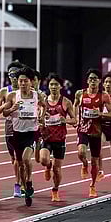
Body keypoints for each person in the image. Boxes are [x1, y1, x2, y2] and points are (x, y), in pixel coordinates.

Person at [3, 67, 46, 207]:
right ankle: (26, 188)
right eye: (20, 81)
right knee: (20, 164)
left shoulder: (36, 95)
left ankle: (29, 180)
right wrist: (11, 109)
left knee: (27, 159)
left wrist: (41, 117)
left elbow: (44, 106)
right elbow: (4, 113)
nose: (22, 84)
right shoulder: (12, 96)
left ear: (31, 82)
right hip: (17, 133)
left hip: (31, 132)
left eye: (25, 81)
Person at [74, 68, 111, 198]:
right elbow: (75, 106)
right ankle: (84, 164)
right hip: (83, 129)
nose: (93, 81)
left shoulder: (104, 96)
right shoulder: (80, 94)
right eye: (90, 79)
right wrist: (75, 118)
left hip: (96, 131)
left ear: (99, 81)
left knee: (95, 161)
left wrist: (100, 113)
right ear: (87, 81)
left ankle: (92, 185)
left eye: (95, 79)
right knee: (81, 152)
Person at [39, 73, 76, 202]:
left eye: (56, 84)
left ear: (60, 86)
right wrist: (41, 121)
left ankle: (55, 189)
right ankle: (47, 166)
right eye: (51, 84)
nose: (53, 86)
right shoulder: (43, 102)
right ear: (48, 86)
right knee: (44, 159)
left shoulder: (66, 102)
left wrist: (65, 120)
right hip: (47, 137)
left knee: (57, 168)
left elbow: (75, 120)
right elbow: (39, 118)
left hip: (60, 139)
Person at [0, 60, 25, 198]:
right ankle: (20, 182)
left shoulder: (27, 91)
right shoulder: (4, 91)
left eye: (15, 74)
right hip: (10, 127)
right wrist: (7, 106)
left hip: (26, 127)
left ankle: (19, 184)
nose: (13, 77)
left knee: (23, 159)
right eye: (11, 74)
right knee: (15, 159)